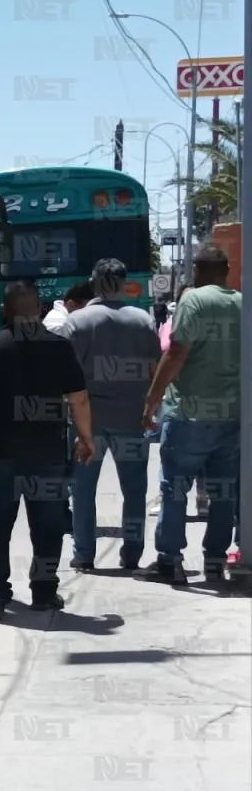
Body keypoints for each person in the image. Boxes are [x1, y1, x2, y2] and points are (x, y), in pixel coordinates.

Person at [0, 280, 95, 621]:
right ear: (40, 310)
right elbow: (79, 398)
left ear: (5, 312)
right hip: (47, 453)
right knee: (47, 525)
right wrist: (86, 438)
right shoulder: (60, 348)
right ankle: (43, 593)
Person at [141, 245, 242, 583]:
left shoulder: (194, 300)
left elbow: (177, 353)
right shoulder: (242, 302)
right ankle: (215, 559)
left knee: (174, 488)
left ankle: (171, 560)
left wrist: (152, 399)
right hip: (232, 414)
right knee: (224, 491)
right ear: (226, 269)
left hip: (189, 414)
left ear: (198, 269)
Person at [54, 258, 161, 572]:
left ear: (94, 282)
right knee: (134, 490)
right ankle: (131, 554)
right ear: (125, 283)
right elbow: (156, 371)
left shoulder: (78, 321)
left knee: (83, 490)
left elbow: (65, 375)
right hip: (132, 418)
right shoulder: (142, 321)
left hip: (88, 422)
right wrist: (151, 411)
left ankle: (84, 554)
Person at [153, 285, 209, 516]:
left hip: (204, 395)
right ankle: (167, 500)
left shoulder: (210, 327)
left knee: (205, 452)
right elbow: (162, 357)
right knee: (171, 453)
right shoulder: (168, 326)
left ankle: (203, 498)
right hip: (172, 397)